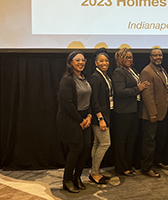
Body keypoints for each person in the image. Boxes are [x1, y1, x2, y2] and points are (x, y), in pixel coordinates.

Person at [57, 51, 92, 193]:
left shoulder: (85, 78)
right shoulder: (67, 80)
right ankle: (67, 180)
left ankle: (77, 177)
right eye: (77, 60)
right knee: (76, 149)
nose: (81, 62)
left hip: (85, 117)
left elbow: (89, 99)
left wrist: (89, 116)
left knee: (85, 148)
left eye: (83, 60)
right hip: (71, 118)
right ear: (70, 62)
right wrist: (80, 120)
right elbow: (67, 104)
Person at [112, 48, 149, 177]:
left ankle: (128, 164)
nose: (129, 60)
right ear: (120, 59)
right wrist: (137, 89)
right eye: (126, 57)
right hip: (123, 111)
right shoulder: (118, 72)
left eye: (131, 57)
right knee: (122, 140)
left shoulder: (132, 71)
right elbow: (120, 91)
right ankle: (121, 167)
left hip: (133, 110)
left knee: (131, 139)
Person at [140, 48, 168, 178]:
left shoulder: (161, 69)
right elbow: (147, 95)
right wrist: (152, 113)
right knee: (149, 141)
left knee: (159, 139)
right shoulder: (147, 71)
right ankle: (146, 167)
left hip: (162, 113)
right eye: (155, 55)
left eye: (160, 55)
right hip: (152, 114)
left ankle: (156, 161)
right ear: (150, 57)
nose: (158, 57)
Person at [88, 48, 113, 184]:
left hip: (105, 114)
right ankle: (95, 172)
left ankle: (94, 171)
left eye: (106, 60)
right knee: (105, 143)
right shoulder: (95, 78)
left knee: (97, 143)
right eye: (101, 61)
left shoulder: (105, 76)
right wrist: (100, 118)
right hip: (99, 117)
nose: (104, 63)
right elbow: (94, 101)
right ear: (96, 63)